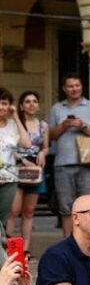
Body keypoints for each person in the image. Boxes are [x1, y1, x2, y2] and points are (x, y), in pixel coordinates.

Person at [47, 74, 90, 238]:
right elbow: (49, 135)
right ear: (64, 89)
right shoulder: (57, 108)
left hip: (88, 163)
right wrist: (63, 126)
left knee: (89, 205)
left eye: (77, 85)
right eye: (70, 86)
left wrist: (83, 126)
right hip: (63, 164)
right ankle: (68, 243)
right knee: (66, 208)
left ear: (82, 87)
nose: (74, 89)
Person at [10, 90, 48, 250]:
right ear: (21, 106)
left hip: (35, 171)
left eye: (34, 101)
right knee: (14, 210)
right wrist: (23, 159)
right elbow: (9, 146)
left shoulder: (43, 125)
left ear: (38, 105)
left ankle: (25, 249)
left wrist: (42, 153)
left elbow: (46, 147)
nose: (31, 104)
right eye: (27, 101)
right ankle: (9, 247)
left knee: (29, 211)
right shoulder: (14, 124)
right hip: (17, 167)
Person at [0, 89, 32, 246]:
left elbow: (26, 144)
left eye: (4, 103)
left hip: (9, 178)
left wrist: (16, 117)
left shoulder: (13, 125)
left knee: (5, 217)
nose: (1, 107)